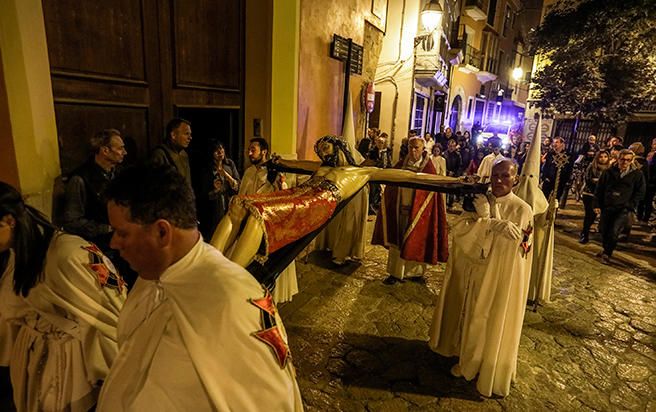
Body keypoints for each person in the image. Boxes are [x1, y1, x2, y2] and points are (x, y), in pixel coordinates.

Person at [97, 165, 303, 411]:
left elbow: (266, 400)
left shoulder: (230, 300)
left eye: (122, 233)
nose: (114, 243)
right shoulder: (154, 275)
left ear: (162, 232)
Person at [210, 136, 472, 272]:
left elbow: (409, 176)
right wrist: (277, 162)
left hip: (317, 201)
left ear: (339, 149)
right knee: (239, 202)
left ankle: (229, 274)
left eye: (326, 150)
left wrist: (455, 181)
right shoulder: (320, 167)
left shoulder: (358, 172)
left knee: (259, 214)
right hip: (303, 192)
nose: (322, 155)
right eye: (320, 151)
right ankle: (210, 261)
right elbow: (293, 164)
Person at [0, 181, 126, 411]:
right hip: (36, 361)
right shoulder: (16, 254)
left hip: (71, 369)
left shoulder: (68, 253)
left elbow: (111, 312)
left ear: (8, 220)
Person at [429, 159, 533, 397]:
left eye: (505, 176)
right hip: (474, 272)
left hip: (499, 278)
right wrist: (489, 222)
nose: (498, 181)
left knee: (486, 319)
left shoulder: (522, 209)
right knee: (470, 316)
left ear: (515, 179)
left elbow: (517, 251)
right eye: (495, 175)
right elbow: (460, 229)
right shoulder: (479, 200)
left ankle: (481, 365)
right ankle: (466, 358)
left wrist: (488, 223)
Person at [372, 137, 449, 284]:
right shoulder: (401, 164)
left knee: (417, 239)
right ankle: (396, 273)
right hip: (399, 208)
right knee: (398, 239)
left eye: (416, 148)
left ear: (423, 149)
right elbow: (391, 182)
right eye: (411, 148)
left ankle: (414, 273)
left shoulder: (428, 167)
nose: (413, 151)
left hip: (419, 213)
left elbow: (433, 193)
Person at [240, 137, 298, 303]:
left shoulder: (274, 172)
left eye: (253, 149)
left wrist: (279, 184)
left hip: (269, 223)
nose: (249, 153)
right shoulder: (248, 172)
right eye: (249, 150)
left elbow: (283, 194)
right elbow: (243, 194)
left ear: (264, 151)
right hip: (250, 221)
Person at [62, 128, 126, 248]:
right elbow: (72, 221)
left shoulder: (120, 173)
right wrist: (107, 228)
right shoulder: (80, 179)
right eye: (120, 148)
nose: (125, 152)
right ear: (105, 151)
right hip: (100, 244)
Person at [314, 136, 369, 265]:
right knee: (334, 221)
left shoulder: (355, 171)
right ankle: (331, 246)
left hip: (354, 194)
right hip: (335, 194)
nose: (324, 153)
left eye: (326, 148)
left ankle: (342, 252)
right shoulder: (329, 165)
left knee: (348, 223)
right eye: (322, 150)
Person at [594, 149, 646, 263]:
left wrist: (630, 204)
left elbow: (640, 192)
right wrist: (597, 204)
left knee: (614, 231)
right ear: (618, 159)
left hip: (623, 208)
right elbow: (599, 189)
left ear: (632, 161)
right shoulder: (608, 172)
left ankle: (607, 253)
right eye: (622, 159)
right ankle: (605, 248)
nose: (625, 162)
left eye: (628, 160)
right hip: (608, 206)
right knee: (603, 229)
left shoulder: (637, 174)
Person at [197, 141, 240, 240]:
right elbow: (204, 195)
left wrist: (226, 175)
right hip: (214, 209)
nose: (220, 151)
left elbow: (237, 186)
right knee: (215, 236)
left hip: (230, 205)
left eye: (221, 148)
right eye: (216, 150)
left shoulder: (229, 164)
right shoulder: (207, 169)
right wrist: (215, 190)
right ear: (211, 153)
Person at [151, 118, 193, 188]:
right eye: (186, 134)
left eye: (190, 134)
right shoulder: (159, 154)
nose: (190, 137)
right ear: (173, 135)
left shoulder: (184, 154)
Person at [579, 150, 610, 244]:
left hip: (602, 196)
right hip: (589, 194)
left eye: (605, 156)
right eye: (601, 156)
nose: (603, 158)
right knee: (589, 215)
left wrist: (598, 181)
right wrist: (598, 182)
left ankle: (586, 231)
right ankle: (585, 234)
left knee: (594, 216)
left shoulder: (610, 169)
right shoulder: (592, 167)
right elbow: (588, 179)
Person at [365, 133, 392, 215]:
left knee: (381, 191)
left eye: (381, 143)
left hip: (384, 173)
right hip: (375, 173)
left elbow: (388, 163)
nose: (379, 144)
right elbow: (370, 161)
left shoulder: (387, 152)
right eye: (378, 142)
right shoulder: (373, 151)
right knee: (374, 191)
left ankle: (378, 206)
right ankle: (372, 206)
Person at [541, 136, 573, 204]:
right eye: (553, 142)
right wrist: (544, 177)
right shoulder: (550, 154)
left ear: (562, 144)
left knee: (556, 201)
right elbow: (546, 166)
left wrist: (566, 180)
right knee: (543, 199)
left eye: (557, 142)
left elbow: (569, 169)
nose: (554, 144)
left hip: (560, 182)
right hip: (548, 180)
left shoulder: (568, 156)